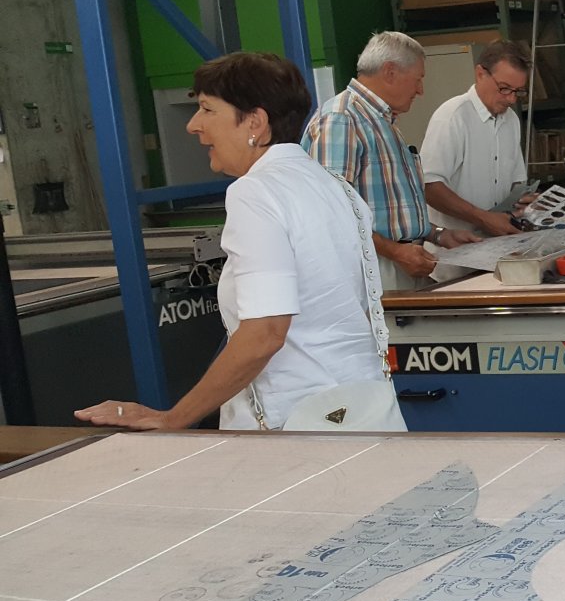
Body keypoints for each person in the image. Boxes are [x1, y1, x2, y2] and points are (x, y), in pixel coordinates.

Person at [76, 52, 399, 431]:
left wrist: (172, 419)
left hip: (298, 427)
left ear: (255, 122)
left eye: (207, 109)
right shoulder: (337, 187)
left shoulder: (256, 192)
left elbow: (264, 334)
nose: (193, 125)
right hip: (363, 410)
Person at [303, 31, 479, 290]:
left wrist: (439, 235)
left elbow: (389, 212)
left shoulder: (382, 121)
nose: (420, 90)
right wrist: (396, 252)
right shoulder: (341, 119)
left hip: (398, 261)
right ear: (390, 72)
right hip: (374, 269)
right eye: (418, 79)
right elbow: (331, 214)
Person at [420, 40, 531, 281]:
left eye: (518, 91)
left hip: (495, 258)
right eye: (504, 88)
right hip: (451, 265)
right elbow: (429, 186)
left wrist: (526, 201)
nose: (511, 99)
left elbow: (516, 184)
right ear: (480, 73)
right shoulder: (452, 117)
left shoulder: (511, 121)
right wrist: (483, 218)